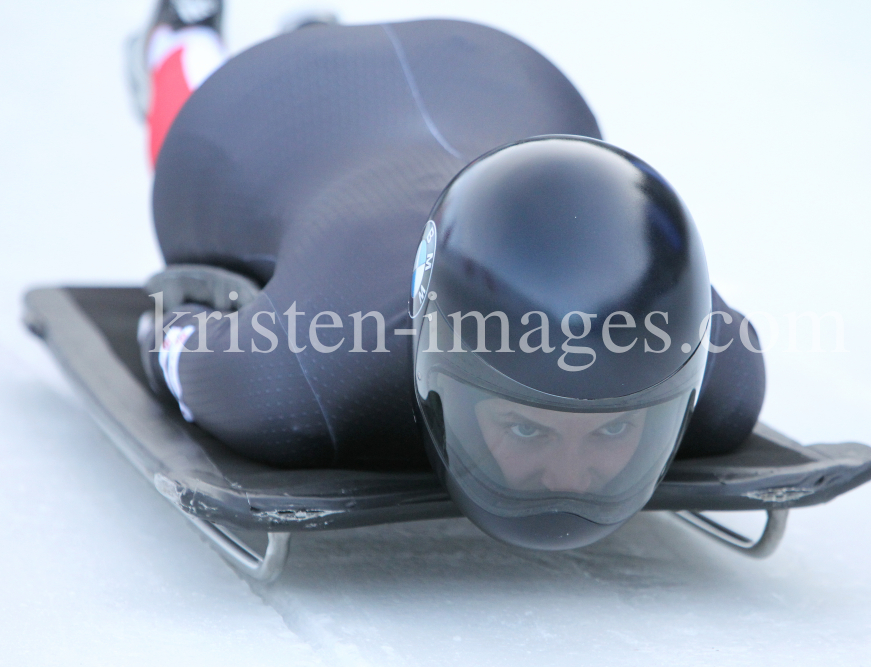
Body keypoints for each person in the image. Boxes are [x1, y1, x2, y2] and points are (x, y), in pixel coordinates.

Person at [133, 0, 766, 549]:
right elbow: (168, 331)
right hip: (264, 115)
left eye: (616, 428)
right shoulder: (298, 382)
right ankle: (181, 44)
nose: (568, 480)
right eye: (526, 426)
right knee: (191, 147)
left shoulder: (721, 372)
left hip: (500, 74)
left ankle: (311, 34)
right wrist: (186, 336)